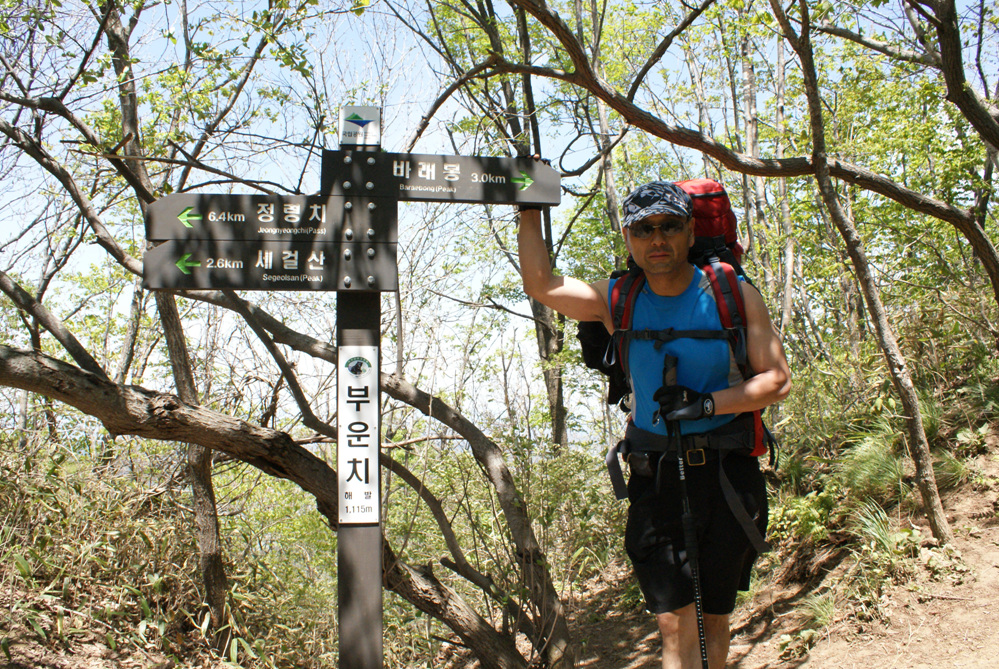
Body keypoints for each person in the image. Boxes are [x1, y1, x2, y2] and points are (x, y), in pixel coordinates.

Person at [517, 181, 791, 669]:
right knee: (673, 620)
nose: (657, 238)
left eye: (669, 226)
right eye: (644, 229)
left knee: (714, 619)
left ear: (689, 233)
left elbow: (776, 381)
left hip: (728, 478)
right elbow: (543, 285)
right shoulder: (617, 298)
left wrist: (706, 405)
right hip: (656, 477)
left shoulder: (732, 292)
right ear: (629, 238)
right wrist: (529, 206)